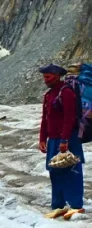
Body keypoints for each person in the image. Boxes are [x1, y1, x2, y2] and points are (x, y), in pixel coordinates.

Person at [39, 64, 85, 219]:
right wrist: (42, 139)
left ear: (57, 76)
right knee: (55, 171)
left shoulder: (66, 93)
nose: (45, 80)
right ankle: (58, 205)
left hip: (68, 138)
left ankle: (76, 206)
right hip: (53, 139)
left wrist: (64, 139)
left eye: (48, 77)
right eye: (44, 77)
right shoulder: (48, 95)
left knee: (72, 171)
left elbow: (69, 118)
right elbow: (45, 119)